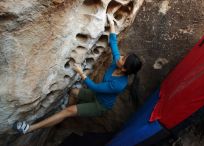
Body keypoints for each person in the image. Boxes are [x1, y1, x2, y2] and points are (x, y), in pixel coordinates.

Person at [13, 14, 142, 134]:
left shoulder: (119, 84)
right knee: (73, 92)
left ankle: (29, 128)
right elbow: (113, 44)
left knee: (68, 111)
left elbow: (95, 87)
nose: (121, 57)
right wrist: (112, 23)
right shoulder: (117, 63)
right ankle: (63, 114)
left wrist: (81, 72)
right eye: (124, 56)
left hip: (100, 105)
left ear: (124, 69)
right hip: (96, 95)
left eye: (124, 59)